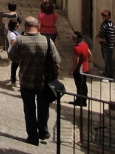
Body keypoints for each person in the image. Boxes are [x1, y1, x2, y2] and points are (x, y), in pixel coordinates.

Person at [9, 16, 61, 146]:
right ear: (38, 26)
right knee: (43, 108)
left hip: (26, 80)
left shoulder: (21, 41)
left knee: (29, 109)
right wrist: (56, 76)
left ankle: (32, 136)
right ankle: (43, 131)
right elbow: (56, 62)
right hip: (43, 82)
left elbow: (12, 57)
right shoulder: (48, 41)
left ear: (25, 27)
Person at [70, 31, 90, 107]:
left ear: (79, 39)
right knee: (84, 85)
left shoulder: (76, 48)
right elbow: (89, 54)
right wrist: (85, 61)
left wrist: (71, 71)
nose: (73, 40)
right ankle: (84, 101)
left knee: (79, 86)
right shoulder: (85, 45)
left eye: (74, 38)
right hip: (85, 68)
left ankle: (79, 101)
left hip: (78, 70)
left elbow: (76, 62)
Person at [96, 9, 115, 78]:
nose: (103, 16)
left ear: (109, 16)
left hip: (108, 47)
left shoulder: (110, 26)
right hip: (104, 46)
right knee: (105, 60)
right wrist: (98, 35)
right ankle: (106, 72)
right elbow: (101, 30)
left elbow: (110, 39)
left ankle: (109, 75)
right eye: (102, 15)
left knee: (108, 61)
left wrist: (100, 39)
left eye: (105, 15)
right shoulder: (104, 23)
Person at [7, 18, 21, 86]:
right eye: (17, 26)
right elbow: (14, 45)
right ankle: (13, 80)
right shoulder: (12, 34)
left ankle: (13, 78)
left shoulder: (13, 32)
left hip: (14, 52)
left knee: (15, 66)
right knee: (15, 66)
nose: (19, 27)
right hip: (14, 53)